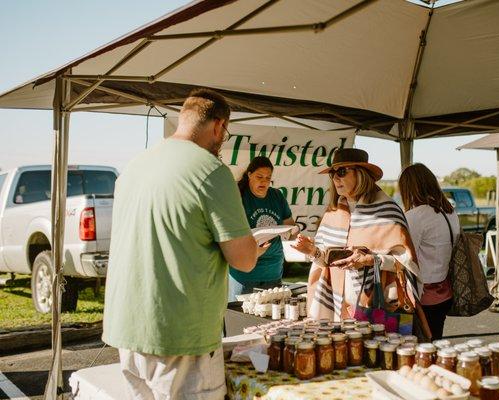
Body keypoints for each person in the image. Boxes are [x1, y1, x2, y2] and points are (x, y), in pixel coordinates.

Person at [103, 89, 263, 400]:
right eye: (225, 133)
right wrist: (254, 244)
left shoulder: (135, 166)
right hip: (180, 334)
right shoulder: (211, 171)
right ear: (218, 126)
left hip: (128, 328)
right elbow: (244, 260)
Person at [292, 148, 426, 334]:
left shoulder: (387, 211)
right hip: (336, 311)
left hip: (376, 309)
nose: (335, 178)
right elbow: (327, 261)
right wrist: (312, 251)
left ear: (361, 174)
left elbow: (407, 263)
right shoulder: (333, 212)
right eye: (332, 173)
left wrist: (372, 260)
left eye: (341, 171)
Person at [398, 163, 460, 340]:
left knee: (414, 347)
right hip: (445, 290)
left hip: (422, 296)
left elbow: (406, 257)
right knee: (435, 342)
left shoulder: (415, 216)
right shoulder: (450, 213)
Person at [228, 156, 295, 301]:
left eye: (268, 178)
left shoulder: (276, 195)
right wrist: (252, 252)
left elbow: (290, 225)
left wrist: (292, 234)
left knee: (268, 320)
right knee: (239, 320)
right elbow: (229, 235)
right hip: (245, 275)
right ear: (249, 174)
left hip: (274, 273)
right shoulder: (238, 196)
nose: (264, 181)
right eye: (259, 177)